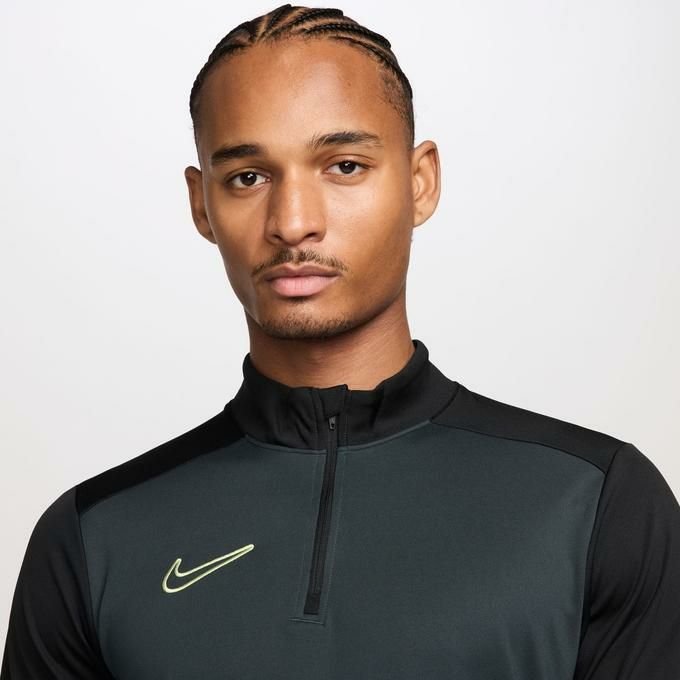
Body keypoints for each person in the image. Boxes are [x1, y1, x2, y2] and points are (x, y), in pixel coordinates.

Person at [2, 4, 679, 678]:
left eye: (345, 166)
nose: (294, 222)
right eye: (247, 177)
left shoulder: (597, 505)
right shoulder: (91, 538)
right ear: (202, 203)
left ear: (420, 182)